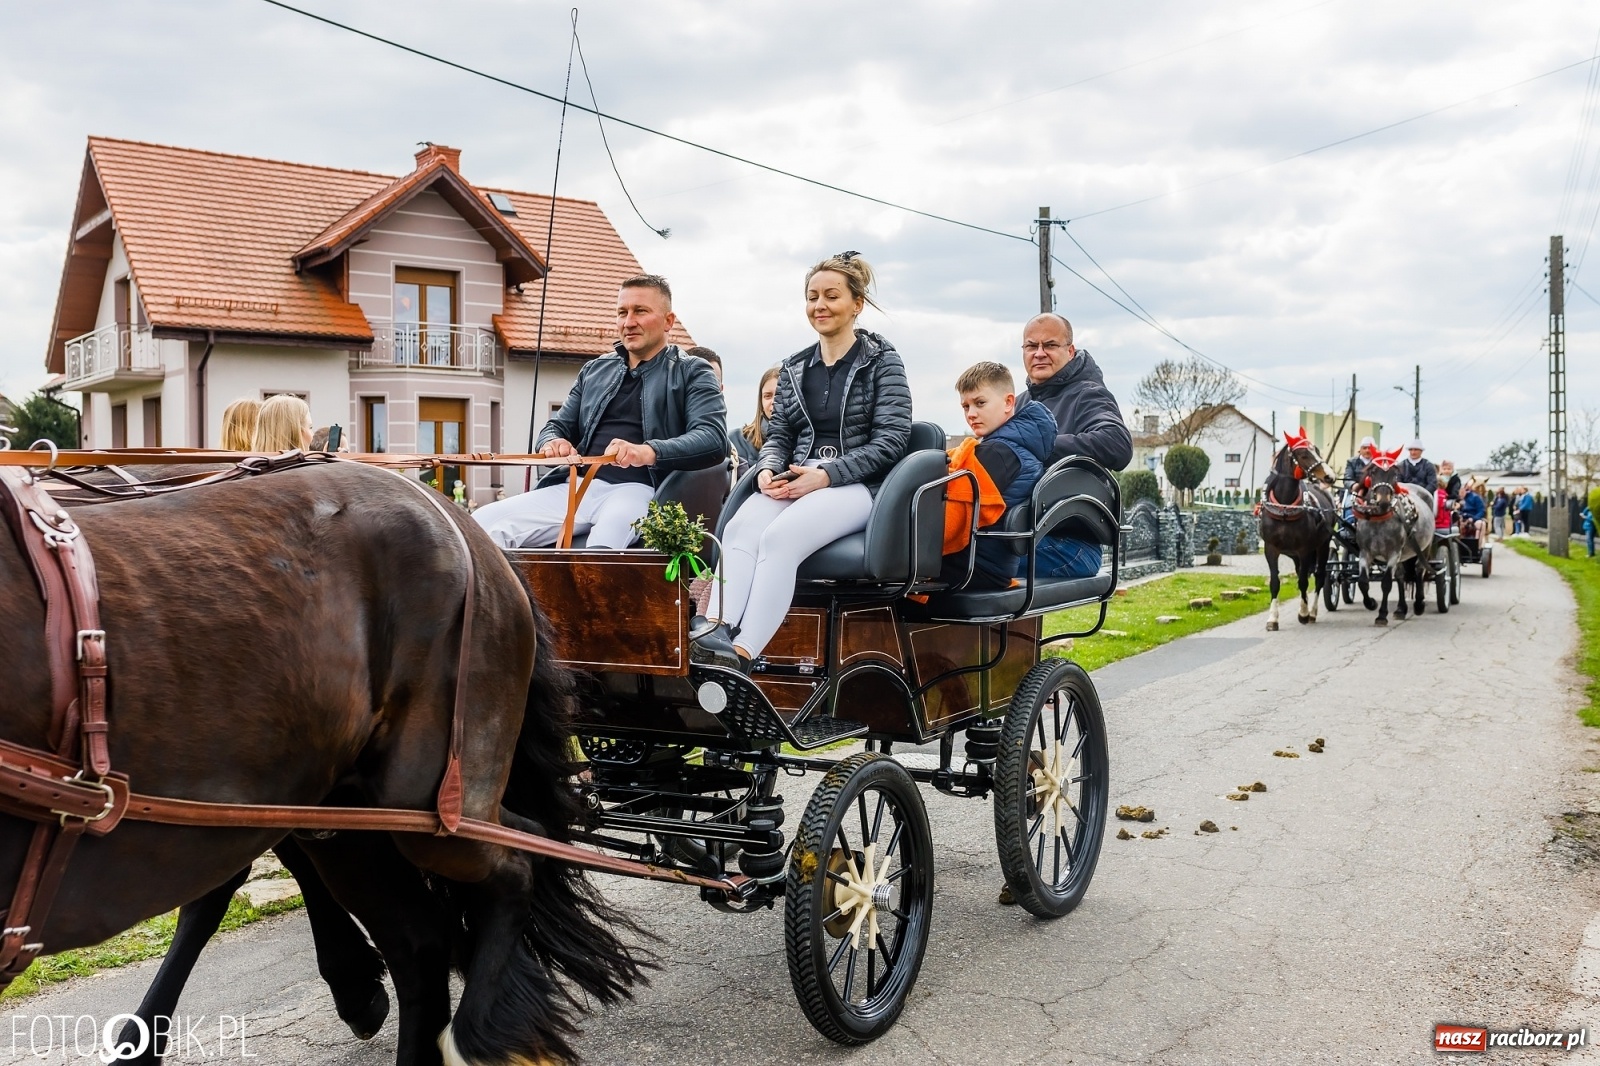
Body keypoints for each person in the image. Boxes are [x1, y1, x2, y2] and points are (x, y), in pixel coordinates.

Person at [693, 252, 911, 671]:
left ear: (857, 304)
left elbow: (893, 441)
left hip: (858, 486)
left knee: (780, 538)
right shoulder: (795, 367)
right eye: (812, 297)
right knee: (740, 527)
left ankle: (743, 654)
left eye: (832, 296)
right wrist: (769, 468)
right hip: (796, 477)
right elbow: (780, 436)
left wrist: (827, 475)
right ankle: (713, 632)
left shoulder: (883, 362)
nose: (820, 306)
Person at [473, 275, 727, 549]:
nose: (629, 322)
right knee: (480, 523)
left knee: (605, 543)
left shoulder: (693, 371)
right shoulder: (594, 371)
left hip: (640, 490)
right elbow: (556, 427)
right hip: (576, 486)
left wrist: (646, 451)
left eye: (640, 311)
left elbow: (712, 439)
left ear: (668, 321)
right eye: (622, 312)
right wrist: (551, 442)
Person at [1016, 312, 1131, 579]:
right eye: (1032, 346)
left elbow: (1118, 444)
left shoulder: (1088, 393)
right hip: (1025, 531)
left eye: (1050, 345)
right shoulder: (1019, 404)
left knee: (971, 559)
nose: (1039, 353)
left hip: (1071, 544)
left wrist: (1041, 445)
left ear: (1070, 351)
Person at [939, 361, 1057, 589]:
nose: (971, 414)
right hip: (990, 566)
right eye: (965, 407)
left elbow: (950, 509)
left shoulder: (999, 453)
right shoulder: (1016, 447)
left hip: (974, 567)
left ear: (1008, 402)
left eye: (980, 403)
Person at [730, 365, 780, 469]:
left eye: (780, 395)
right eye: (767, 396)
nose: (773, 401)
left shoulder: (806, 441)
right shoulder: (737, 440)